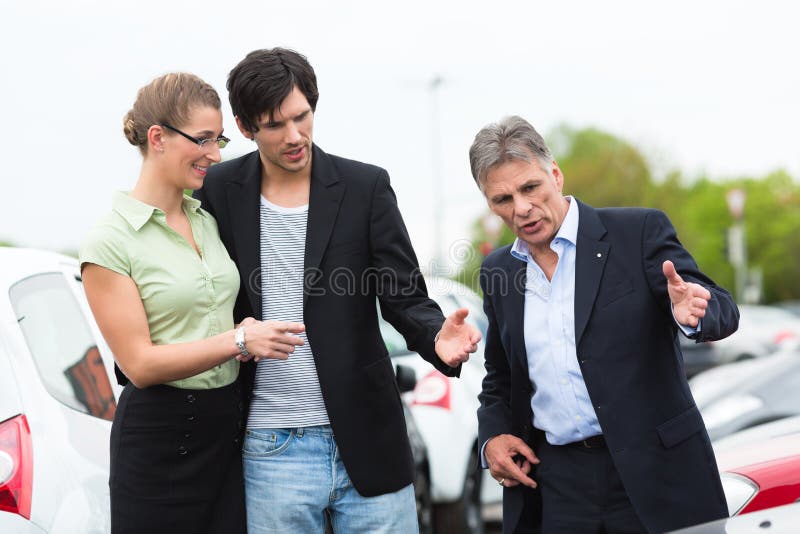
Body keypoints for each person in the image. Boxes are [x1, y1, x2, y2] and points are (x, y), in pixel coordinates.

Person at [193, 47, 482, 533]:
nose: (294, 136)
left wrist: (437, 339)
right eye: (274, 125)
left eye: (301, 117)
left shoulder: (364, 187)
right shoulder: (217, 190)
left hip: (367, 439)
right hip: (268, 447)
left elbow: (404, 295)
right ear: (244, 127)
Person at [470, 116, 739, 533]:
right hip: (557, 485)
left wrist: (695, 312)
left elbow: (720, 306)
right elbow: (500, 377)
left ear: (555, 175)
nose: (520, 208)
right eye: (502, 199)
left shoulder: (638, 232)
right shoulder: (497, 271)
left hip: (656, 474)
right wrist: (493, 438)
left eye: (529, 188)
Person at [80, 72, 306, 534]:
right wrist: (239, 339)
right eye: (202, 140)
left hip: (225, 434)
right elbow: (139, 364)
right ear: (158, 138)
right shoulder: (110, 240)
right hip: (159, 441)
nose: (216, 155)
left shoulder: (207, 219)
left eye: (218, 139)